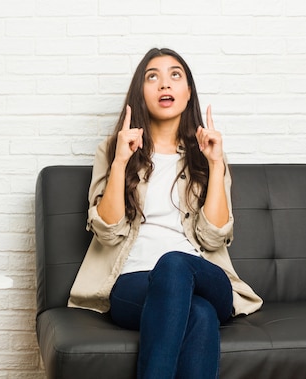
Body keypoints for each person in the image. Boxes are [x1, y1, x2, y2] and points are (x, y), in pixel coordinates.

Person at [67, 48, 263, 379]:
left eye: (175, 75)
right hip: (133, 282)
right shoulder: (113, 150)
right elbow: (107, 230)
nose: (163, 84)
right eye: (152, 76)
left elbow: (214, 236)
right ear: (140, 94)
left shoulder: (208, 157)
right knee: (199, 315)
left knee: (174, 263)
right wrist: (119, 162)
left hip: (203, 276)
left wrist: (215, 163)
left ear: (188, 93)